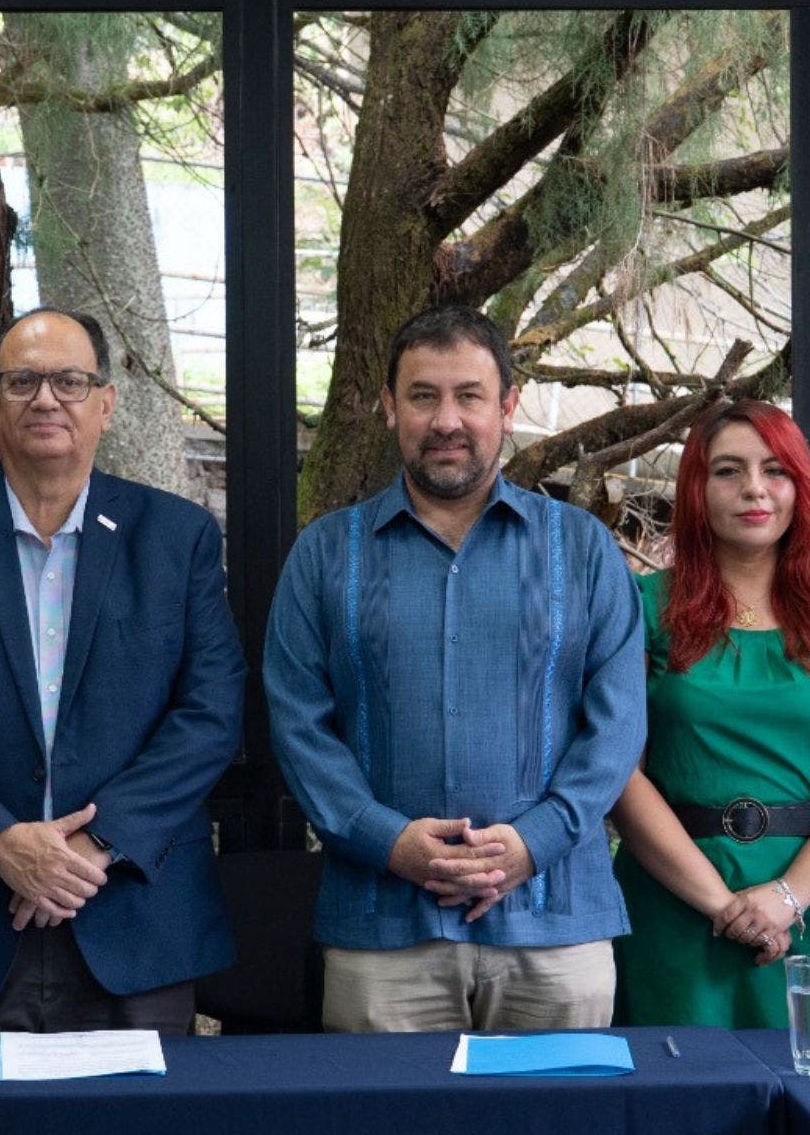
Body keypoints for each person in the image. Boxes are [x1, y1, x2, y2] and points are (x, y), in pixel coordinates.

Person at [0, 307, 246, 1041]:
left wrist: (95, 846)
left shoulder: (176, 537)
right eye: (23, 381)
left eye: (70, 381)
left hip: (132, 914)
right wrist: (0, 839)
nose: (47, 399)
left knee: (137, 1114)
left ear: (106, 403)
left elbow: (211, 712)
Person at [265, 304, 646, 1033]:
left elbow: (619, 723)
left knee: (558, 1113)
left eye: (469, 396)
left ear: (507, 406)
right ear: (389, 407)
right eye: (423, 396)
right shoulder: (325, 555)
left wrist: (533, 843)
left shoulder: (583, 549)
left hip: (554, 928)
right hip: (382, 931)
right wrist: (388, 842)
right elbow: (297, 726)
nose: (447, 420)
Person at [608, 401, 810, 1027]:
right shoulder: (639, 608)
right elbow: (620, 775)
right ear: (696, 488)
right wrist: (722, 905)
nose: (754, 488)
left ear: (802, 485)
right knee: (681, 1083)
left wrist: (788, 896)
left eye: (775, 470)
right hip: (677, 904)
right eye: (727, 471)